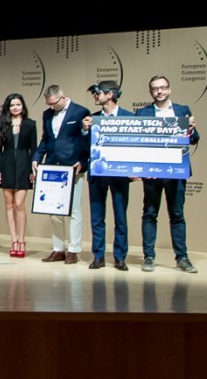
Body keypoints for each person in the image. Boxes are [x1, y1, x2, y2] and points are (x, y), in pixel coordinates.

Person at [135, 75, 199, 273]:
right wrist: (140, 168)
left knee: (177, 215)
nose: (159, 91)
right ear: (150, 92)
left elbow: (194, 139)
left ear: (169, 89)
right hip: (152, 173)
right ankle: (149, 257)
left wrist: (191, 130)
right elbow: (135, 142)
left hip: (176, 171)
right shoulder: (142, 113)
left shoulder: (182, 110)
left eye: (162, 87)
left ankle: (182, 258)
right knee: (150, 214)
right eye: (155, 88)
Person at [32, 84, 91, 265]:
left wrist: (82, 161)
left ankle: (73, 250)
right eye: (48, 104)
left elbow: (86, 139)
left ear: (63, 97)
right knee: (53, 211)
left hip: (73, 167)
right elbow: (46, 139)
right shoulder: (47, 114)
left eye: (54, 103)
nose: (51, 107)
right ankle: (58, 249)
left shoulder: (80, 111)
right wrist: (37, 158)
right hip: (52, 167)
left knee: (74, 210)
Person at [82, 81, 133, 271]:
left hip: (120, 175)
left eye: (98, 93)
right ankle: (98, 256)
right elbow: (84, 146)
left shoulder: (129, 117)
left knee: (120, 217)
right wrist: (85, 130)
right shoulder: (93, 118)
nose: (95, 96)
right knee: (97, 217)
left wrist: (134, 169)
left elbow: (134, 145)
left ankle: (120, 257)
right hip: (97, 173)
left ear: (110, 94)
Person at [0, 94, 36, 258]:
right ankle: (14, 241)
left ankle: (22, 240)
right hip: (7, 166)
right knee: (9, 205)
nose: (15, 107)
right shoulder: (2, 125)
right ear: (8, 108)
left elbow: (34, 149)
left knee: (19, 204)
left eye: (18, 104)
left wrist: (33, 170)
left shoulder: (30, 124)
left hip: (25, 166)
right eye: (12, 105)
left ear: (23, 106)